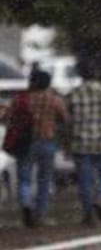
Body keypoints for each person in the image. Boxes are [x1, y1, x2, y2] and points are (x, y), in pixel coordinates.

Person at [66, 59, 101, 227]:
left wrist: (67, 142)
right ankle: (100, 199)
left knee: (84, 180)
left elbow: (68, 122)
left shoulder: (74, 94)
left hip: (81, 142)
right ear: (97, 74)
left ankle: (88, 214)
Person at [15, 69, 69, 227]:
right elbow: (65, 119)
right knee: (44, 180)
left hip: (25, 143)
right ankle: (41, 216)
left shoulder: (22, 100)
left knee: (24, 179)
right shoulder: (55, 100)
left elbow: (9, 117)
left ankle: (25, 204)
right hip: (46, 142)